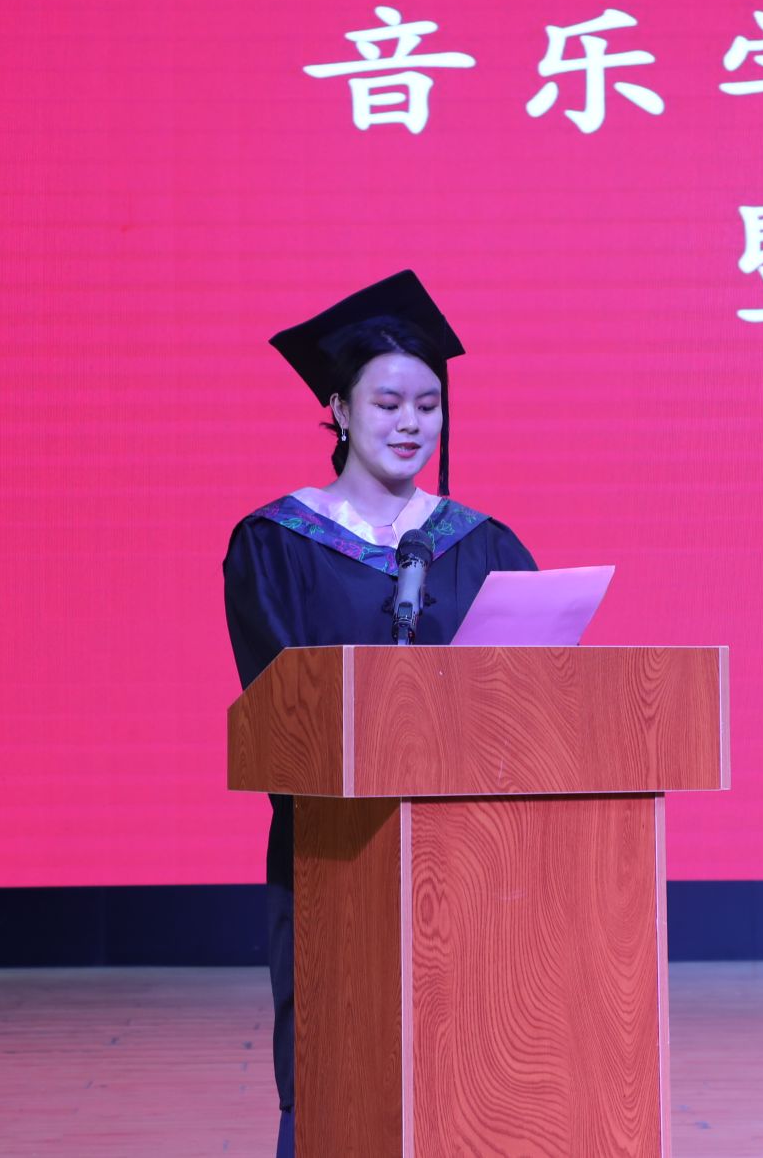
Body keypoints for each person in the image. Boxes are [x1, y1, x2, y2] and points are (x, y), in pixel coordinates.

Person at [222, 271, 536, 1158]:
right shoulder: (277, 543)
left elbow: (535, 691)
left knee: (474, 1055)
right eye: (388, 403)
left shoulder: (483, 543)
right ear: (339, 410)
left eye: (428, 406)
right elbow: (284, 702)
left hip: (473, 853)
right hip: (337, 845)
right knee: (337, 1046)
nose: (411, 423)